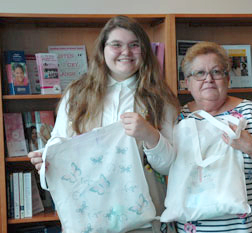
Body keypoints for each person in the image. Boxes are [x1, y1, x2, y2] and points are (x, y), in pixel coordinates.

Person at [28, 15, 179, 233]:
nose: (126, 52)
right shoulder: (77, 94)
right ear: (103, 49)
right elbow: (59, 143)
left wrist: (150, 135)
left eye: (134, 45)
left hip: (145, 218)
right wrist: (47, 159)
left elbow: (169, 166)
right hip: (89, 217)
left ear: (144, 51)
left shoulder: (160, 99)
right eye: (116, 45)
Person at [175, 41, 252, 232]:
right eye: (199, 73)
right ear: (187, 82)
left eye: (216, 72)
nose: (209, 79)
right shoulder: (178, 119)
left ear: (228, 78)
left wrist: (251, 148)